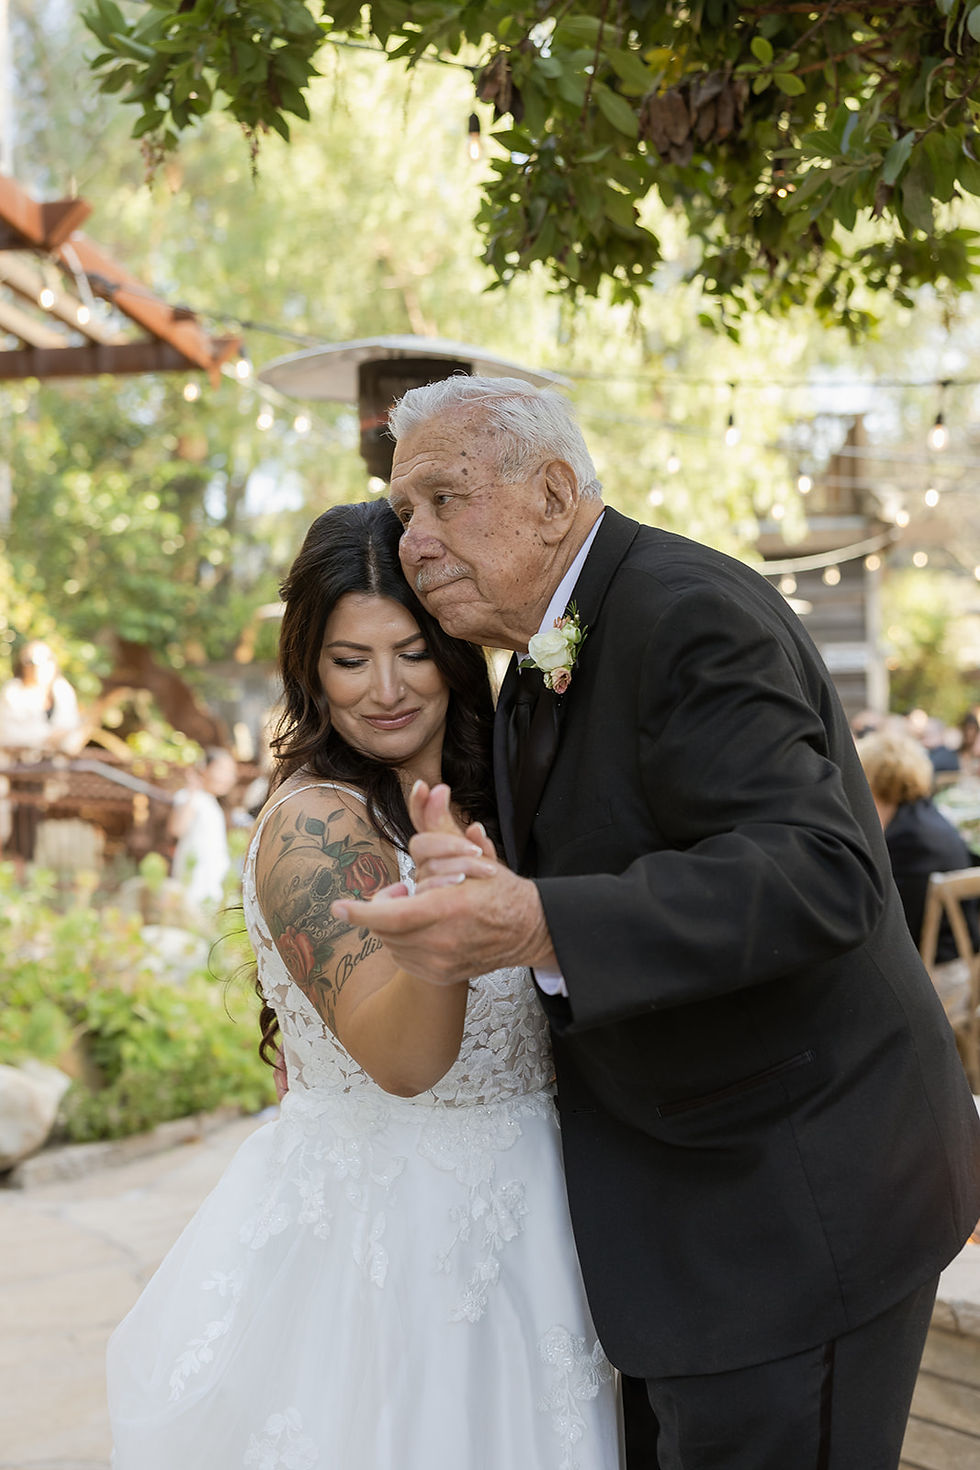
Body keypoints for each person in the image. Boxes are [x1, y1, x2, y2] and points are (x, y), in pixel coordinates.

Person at [333, 376, 980, 1470]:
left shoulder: (686, 613)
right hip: (691, 1216)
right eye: (404, 514)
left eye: (443, 499)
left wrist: (540, 922)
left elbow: (819, 872)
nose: (416, 542)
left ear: (552, 494)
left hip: (794, 1204)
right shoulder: (538, 655)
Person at [106, 501, 622, 1470]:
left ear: (454, 650)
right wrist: (445, 924)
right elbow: (405, 1061)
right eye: (350, 660)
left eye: (412, 653)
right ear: (310, 669)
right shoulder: (314, 829)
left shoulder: (508, 792)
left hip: (541, 1222)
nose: (385, 689)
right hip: (392, 1252)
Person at [857, 726, 979, 960]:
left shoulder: (908, 840)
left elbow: (884, 923)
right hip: (958, 955)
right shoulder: (924, 816)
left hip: (939, 965)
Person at [0, 639, 83, 868]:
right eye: (30, 661)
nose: (36, 666)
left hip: (53, 774)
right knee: (20, 820)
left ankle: (34, 872)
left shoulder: (62, 691)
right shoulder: (13, 692)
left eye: (43, 660)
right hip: (19, 773)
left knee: (43, 820)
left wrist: (45, 740)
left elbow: (71, 733)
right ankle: (18, 870)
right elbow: (9, 736)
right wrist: (48, 738)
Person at [167, 745, 238, 908]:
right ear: (204, 769)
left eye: (232, 773)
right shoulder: (190, 797)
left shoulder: (213, 803)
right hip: (194, 880)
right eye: (223, 770)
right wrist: (192, 788)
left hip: (213, 882)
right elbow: (177, 829)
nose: (228, 778)